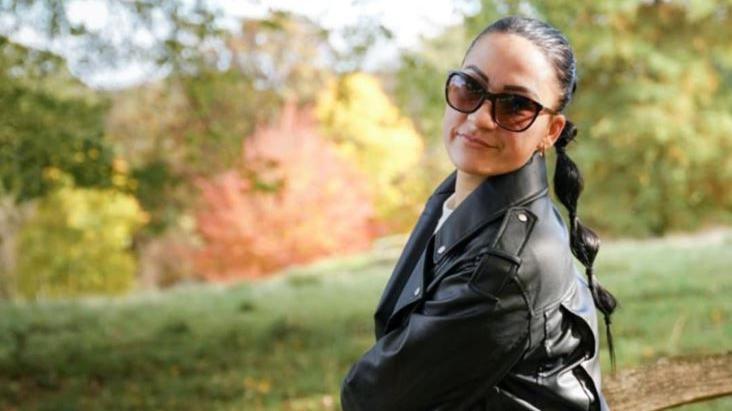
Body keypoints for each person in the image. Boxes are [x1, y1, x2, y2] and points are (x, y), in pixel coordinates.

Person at [340, 15, 619, 411]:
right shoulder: (458, 198)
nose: (480, 118)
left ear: (551, 132)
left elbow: (375, 396)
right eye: (470, 87)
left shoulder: (507, 264)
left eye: (516, 105)